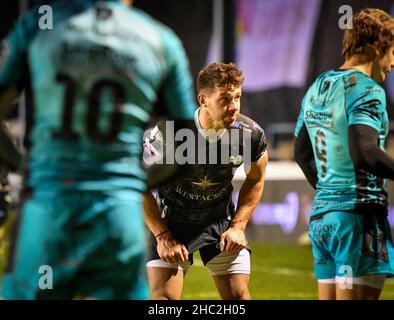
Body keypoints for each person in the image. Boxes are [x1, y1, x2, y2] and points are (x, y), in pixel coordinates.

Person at [0, 0, 196, 299]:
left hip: (50, 205)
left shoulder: (41, 25)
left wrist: (22, 166)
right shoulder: (160, 39)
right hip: (117, 214)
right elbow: (186, 141)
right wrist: (135, 182)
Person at [143, 62, 268, 300]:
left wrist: (239, 226)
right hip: (172, 223)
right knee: (163, 301)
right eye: (225, 99)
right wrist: (162, 236)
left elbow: (256, 179)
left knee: (238, 297)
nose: (234, 107)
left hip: (220, 222)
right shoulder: (168, 133)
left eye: (237, 97)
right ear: (203, 100)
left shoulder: (249, 134)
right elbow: (141, 187)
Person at [294, 8, 394, 300]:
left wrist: (330, 195)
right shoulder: (366, 90)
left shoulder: (317, 87)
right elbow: (365, 153)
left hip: (323, 221)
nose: (392, 62)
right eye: (392, 51)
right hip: (357, 219)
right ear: (377, 47)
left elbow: (302, 153)